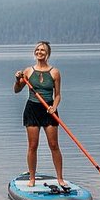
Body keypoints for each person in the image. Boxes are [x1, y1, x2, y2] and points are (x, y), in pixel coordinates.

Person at [13, 41, 66, 187]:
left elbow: (58, 95)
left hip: (49, 109)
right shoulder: (28, 71)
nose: (39, 52)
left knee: (54, 145)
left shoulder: (55, 72)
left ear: (47, 53)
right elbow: (16, 90)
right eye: (37, 49)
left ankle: (60, 178)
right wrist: (18, 79)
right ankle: (32, 178)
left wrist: (54, 107)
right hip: (32, 110)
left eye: (42, 50)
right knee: (32, 146)